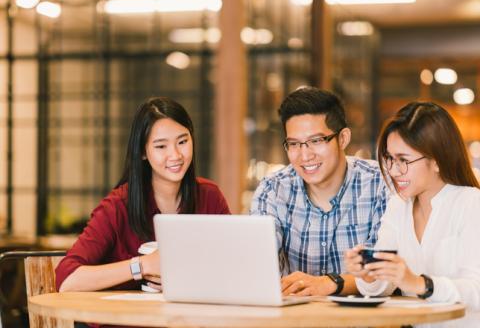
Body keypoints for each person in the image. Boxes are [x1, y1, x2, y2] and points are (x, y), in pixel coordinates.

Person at [56, 97, 230, 293]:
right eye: (161, 146)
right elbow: (67, 280)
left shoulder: (209, 196)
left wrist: (188, 280)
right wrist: (143, 265)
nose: (175, 155)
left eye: (182, 141)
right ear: (142, 152)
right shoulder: (118, 206)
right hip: (122, 321)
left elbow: (234, 267)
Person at [345, 102, 480, 327]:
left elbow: (476, 291)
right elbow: (383, 286)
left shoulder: (471, 203)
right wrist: (369, 274)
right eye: (389, 158)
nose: (394, 171)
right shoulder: (398, 206)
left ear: (436, 160)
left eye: (404, 160)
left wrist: (419, 284)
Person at [250, 86, 389, 296]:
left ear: (343, 138)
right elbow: (257, 260)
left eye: (316, 141)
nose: (305, 156)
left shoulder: (380, 183)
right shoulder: (273, 189)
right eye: (294, 144)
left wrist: (329, 283)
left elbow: (384, 269)